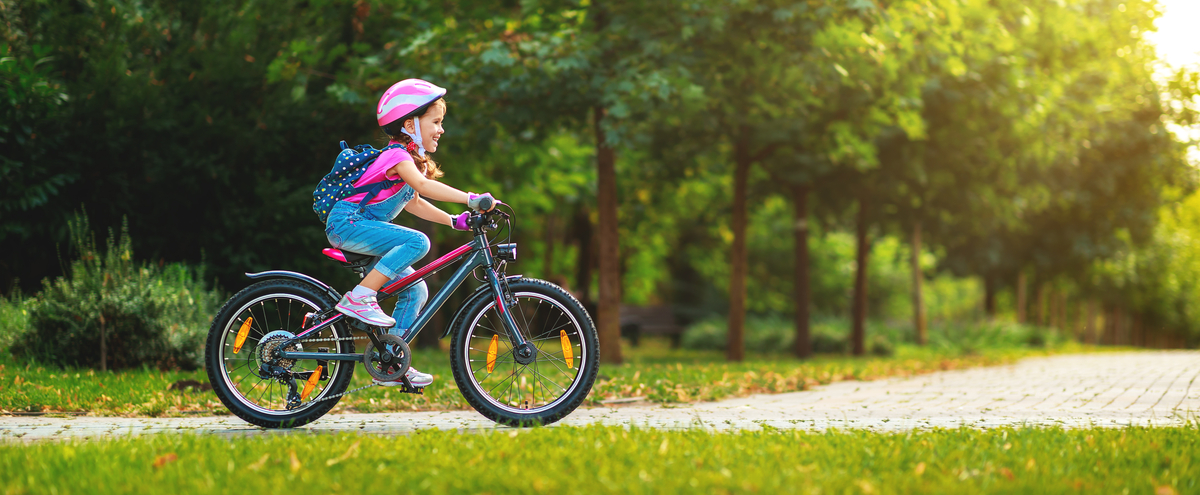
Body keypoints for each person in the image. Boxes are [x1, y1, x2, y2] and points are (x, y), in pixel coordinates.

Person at [324, 78, 496, 387]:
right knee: (418, 241)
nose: (441, 129)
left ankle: (391, 362)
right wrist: (470, 198)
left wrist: (454, 220)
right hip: (347, 224)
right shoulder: (396, 156)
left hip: (361, 228)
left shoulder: (405, 161)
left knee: (416, 288)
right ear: (409, 124)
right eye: (436, 121)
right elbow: (425, 187)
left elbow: (415, 201)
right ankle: (360, 297)